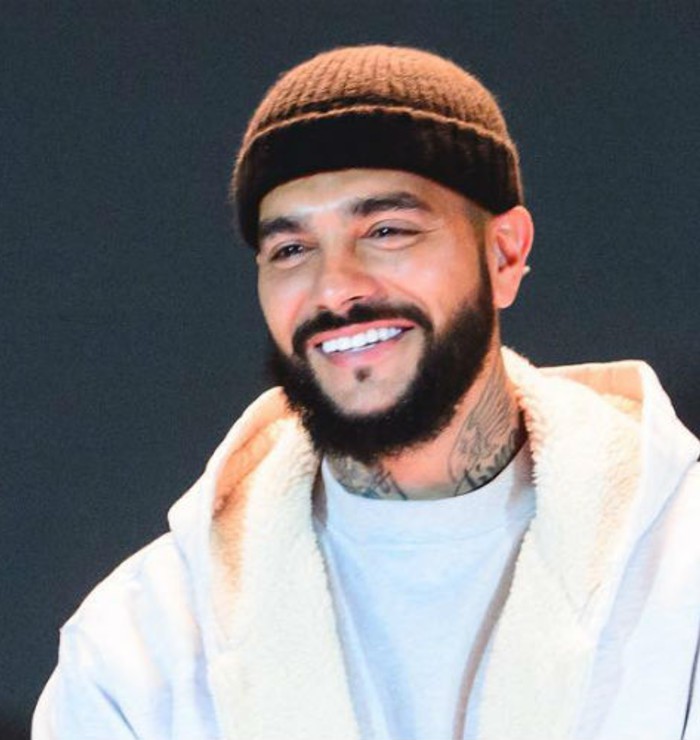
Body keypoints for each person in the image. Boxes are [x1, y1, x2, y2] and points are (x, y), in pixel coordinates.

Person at [33, 45, 700, 740]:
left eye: (386, 231)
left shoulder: (682, 570)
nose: (334, 288)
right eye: (291, 249)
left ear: (504, 254)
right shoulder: (140, 649)